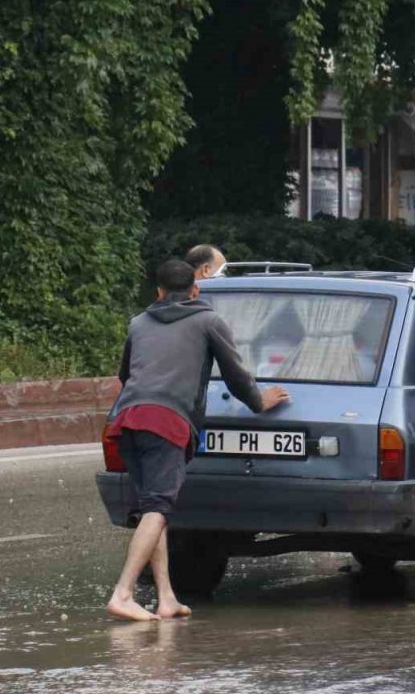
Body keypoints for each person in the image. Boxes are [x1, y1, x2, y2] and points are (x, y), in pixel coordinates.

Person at [105, 259, 289, 621]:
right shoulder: (208, 320)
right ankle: (123, 592)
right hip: (166, 422)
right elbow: (236, 376)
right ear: (195, 290)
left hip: (127, 419)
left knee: (152, 512)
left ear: (157, 291)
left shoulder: (138, 323)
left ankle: (166, 596)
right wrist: (259, 400)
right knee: (157, 508)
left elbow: (126, 374)